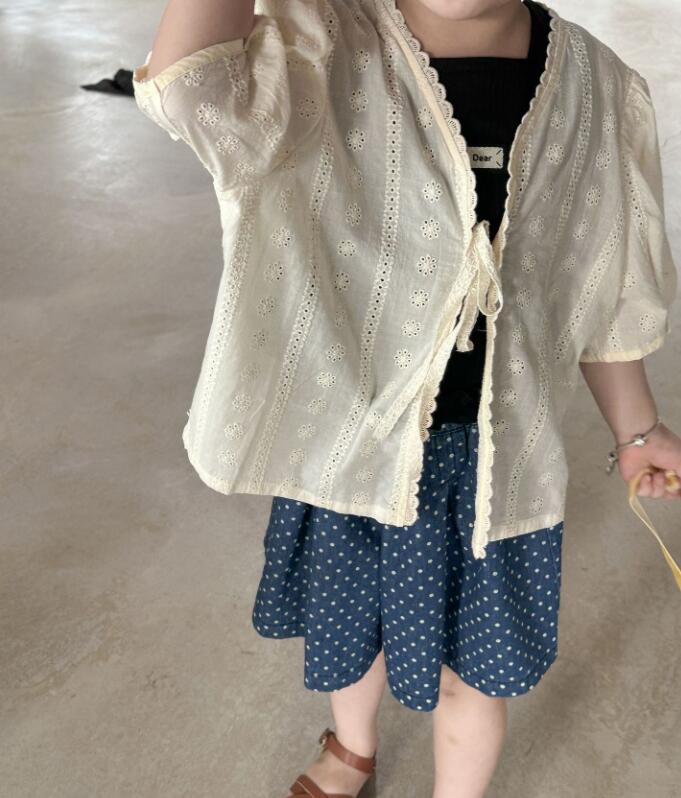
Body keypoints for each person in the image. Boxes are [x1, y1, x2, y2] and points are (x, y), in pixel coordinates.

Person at [131, 1, 681, 796]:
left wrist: (637, 429)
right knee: (349, 632)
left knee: (476, 673)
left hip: (495, 471)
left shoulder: (599, 88)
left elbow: (606, 285)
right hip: (349, 449)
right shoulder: (315, 42)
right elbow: (191, 89)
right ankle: (350, 749)